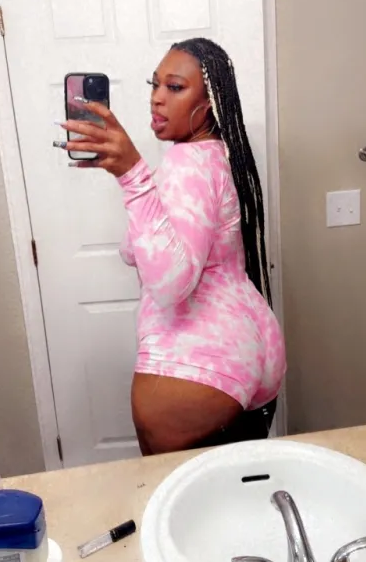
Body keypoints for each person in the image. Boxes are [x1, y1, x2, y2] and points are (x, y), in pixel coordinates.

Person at [55, 38, 286, 455]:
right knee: (233, 487)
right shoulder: (214, 155)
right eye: (154, 84)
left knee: (182, 496)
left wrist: (133, 176)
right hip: (243, 346)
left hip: (195, 365)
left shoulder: (186, 162)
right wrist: (137, 186)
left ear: (210, 102)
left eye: (175, 87)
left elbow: (169, 284)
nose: (157, 98)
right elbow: (151, 248)